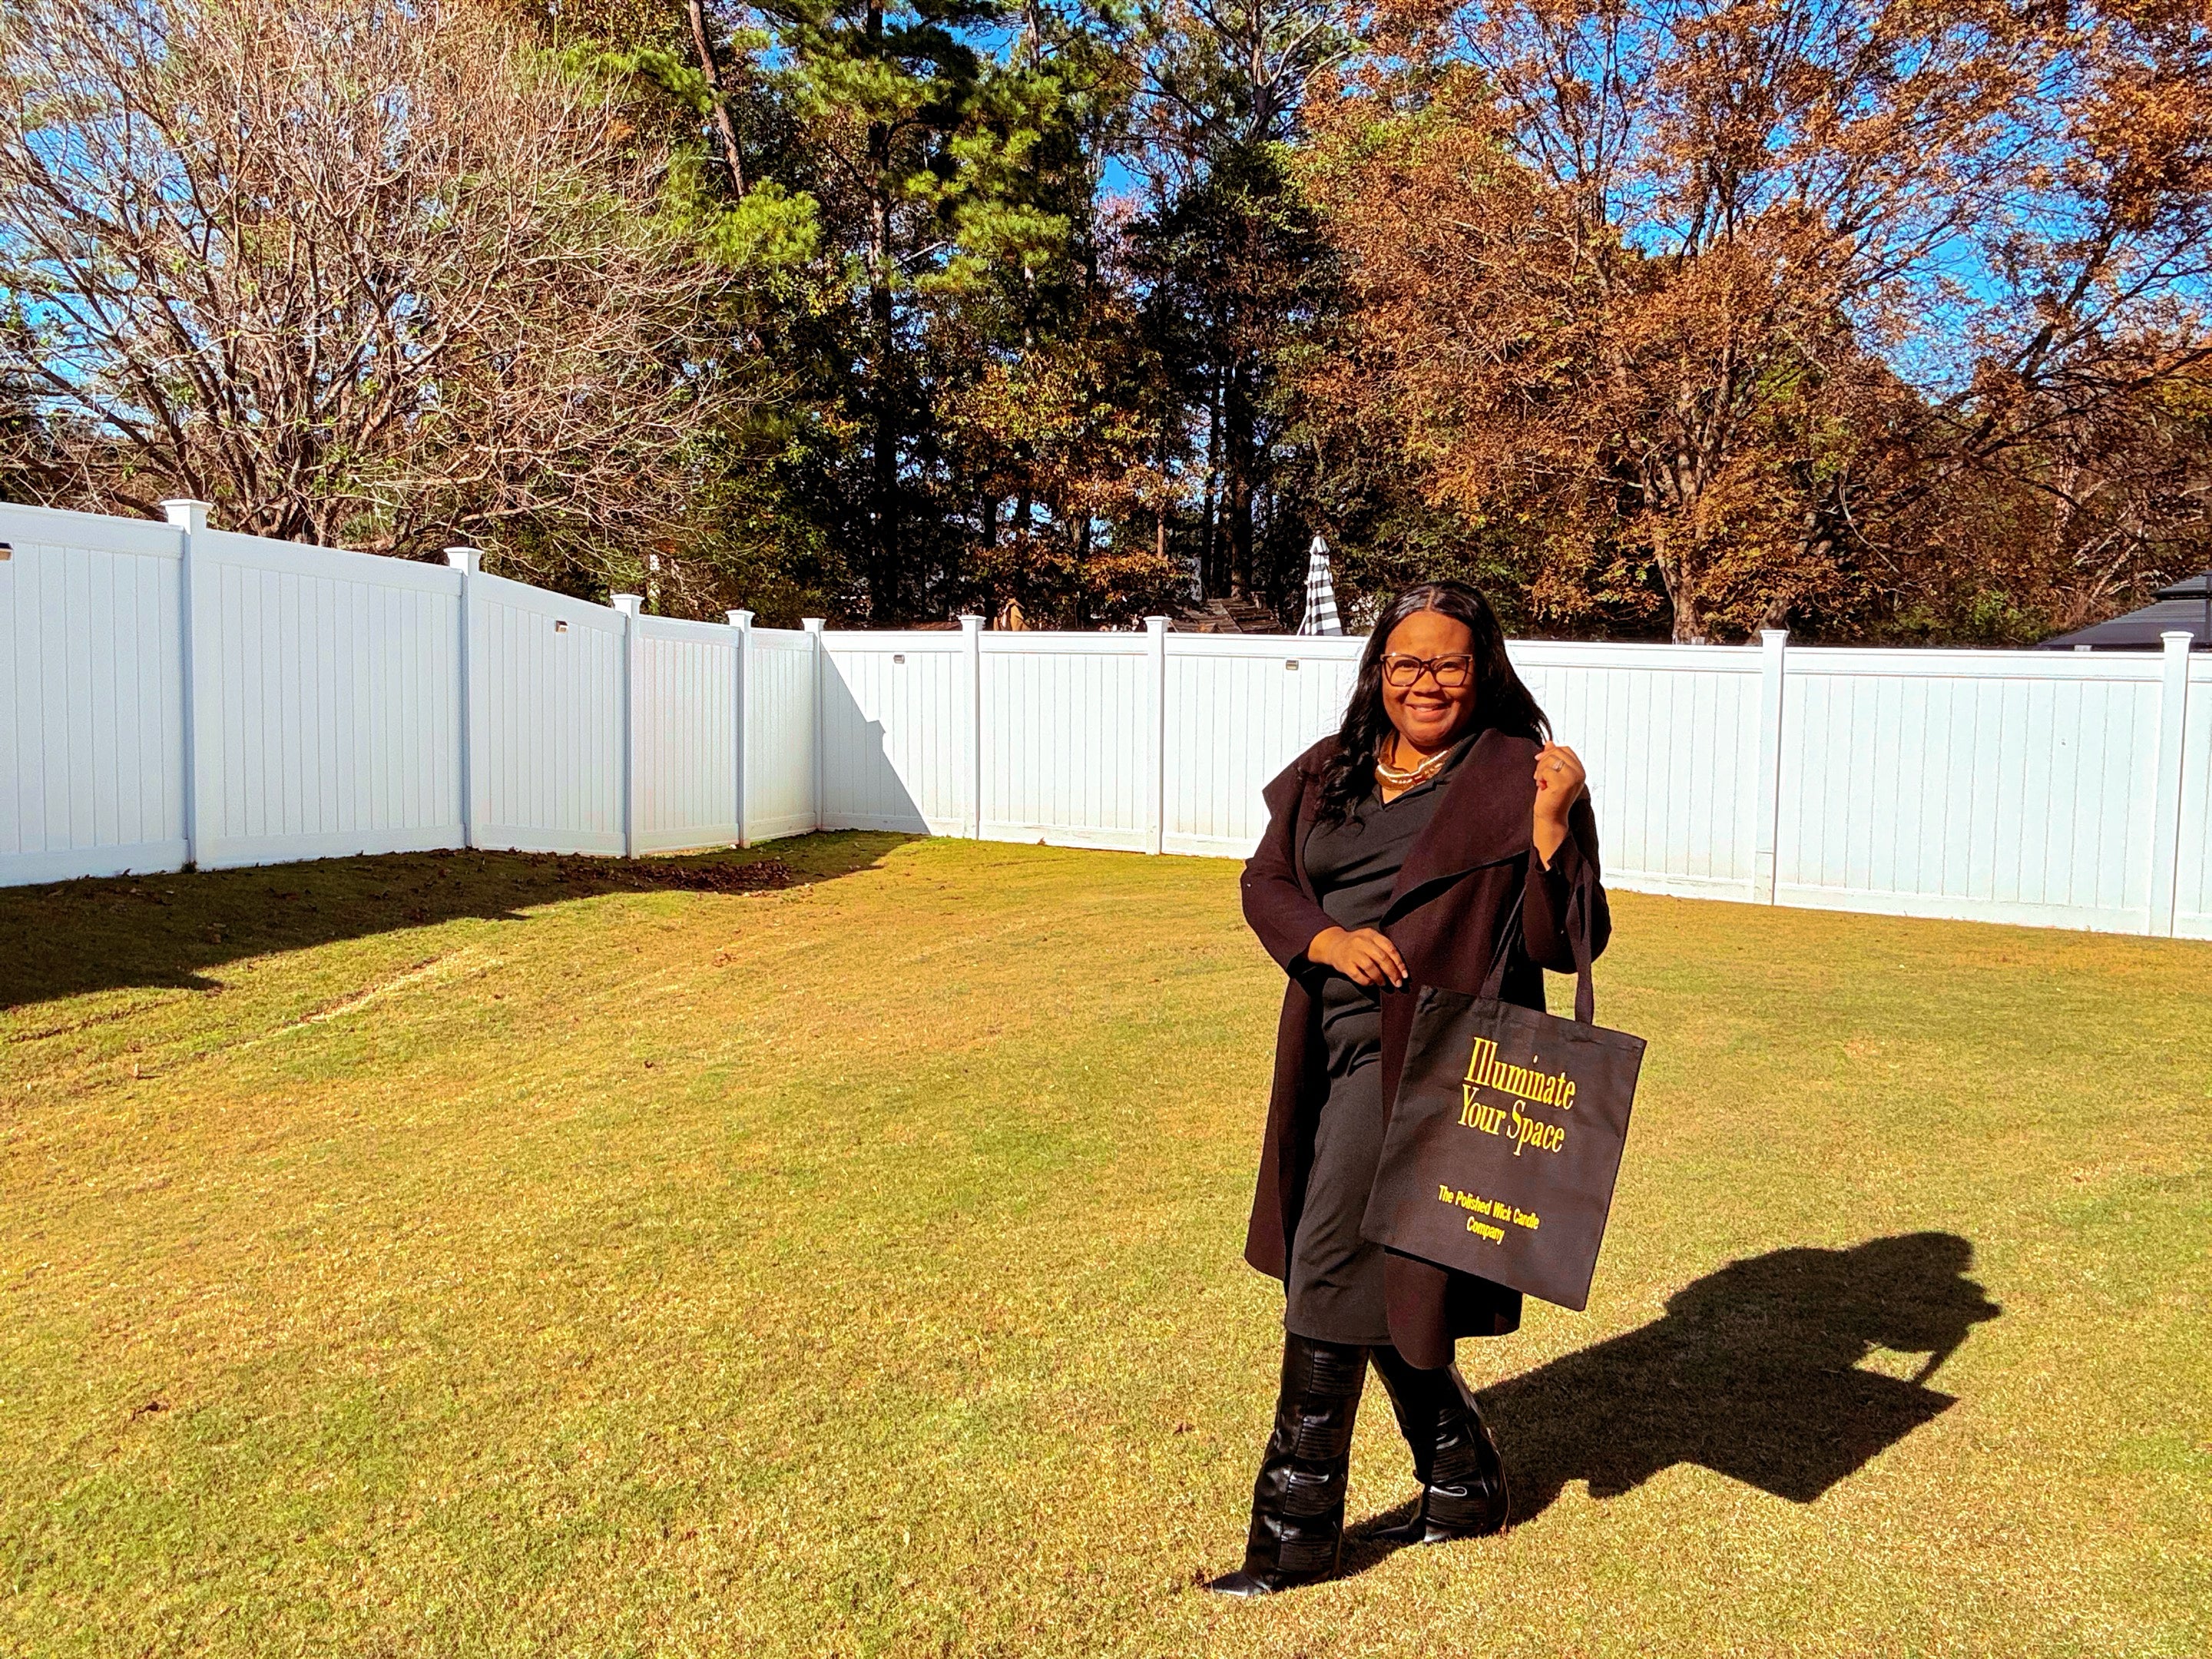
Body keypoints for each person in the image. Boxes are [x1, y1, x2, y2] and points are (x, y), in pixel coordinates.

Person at [1206, 580, 1611, 1597]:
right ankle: (1463, 1480)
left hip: (1437, 1061)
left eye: (1451, 664)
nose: (1429, 683)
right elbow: (1267, 884)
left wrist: (1555, 834)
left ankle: (1291, 1540)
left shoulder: (1524, 777)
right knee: (1390, 1271)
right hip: (1330, 1046)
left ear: (1485, 670)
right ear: (1378, 671)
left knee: (1330, 1267)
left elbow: (1567, 944)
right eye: (1409, 663)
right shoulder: (1333, 773)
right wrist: (1325, 939)